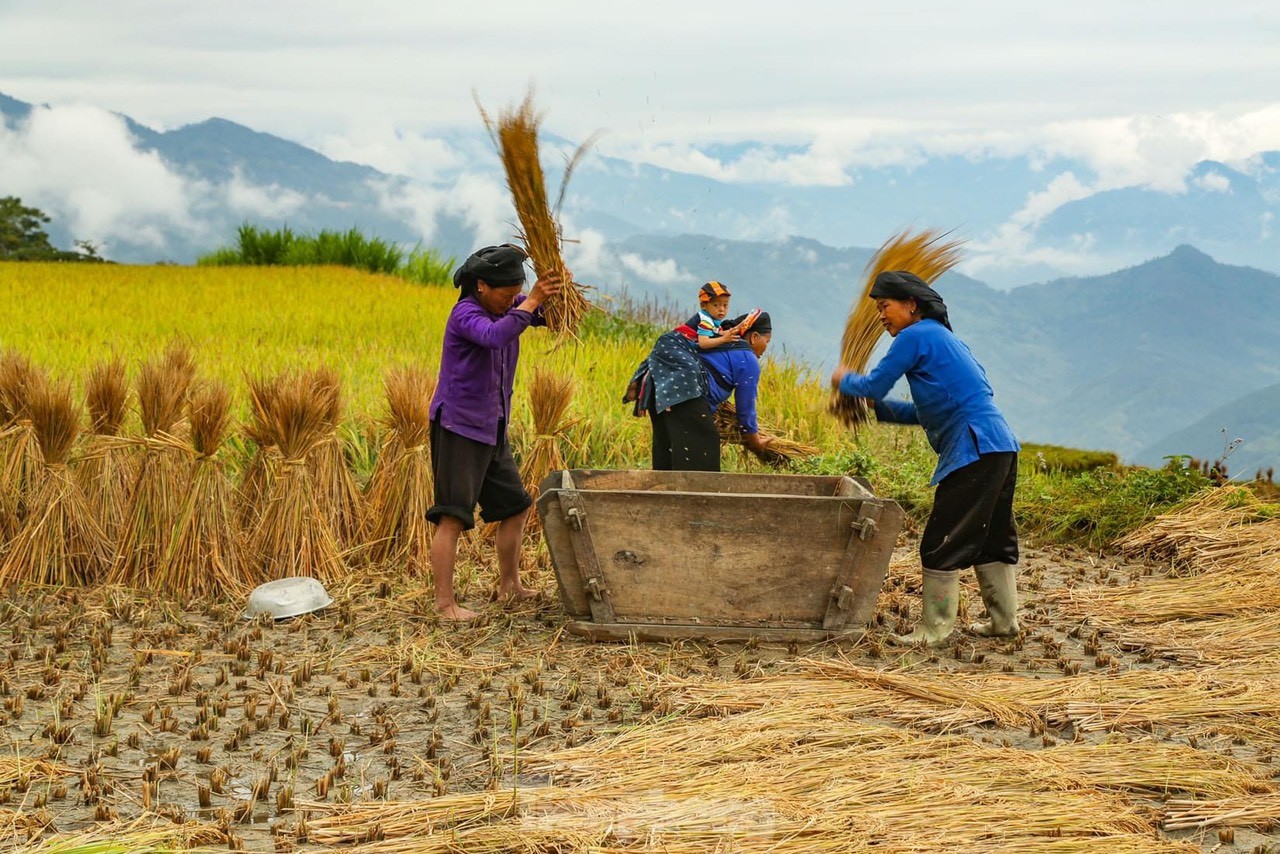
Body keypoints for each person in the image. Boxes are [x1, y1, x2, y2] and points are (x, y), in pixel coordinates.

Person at [830, 271, 1021, 647]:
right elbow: (929, 412)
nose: (881, 315)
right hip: (999, 445)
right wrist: (877, 408)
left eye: (884, 306)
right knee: (992, 537)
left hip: (974, 447)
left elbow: (874, 384)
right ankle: (1004, 623)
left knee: (939, 541)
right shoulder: (945, 339)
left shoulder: (915, 335)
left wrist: (844, 380)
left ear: (911, 306)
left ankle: (934, 630)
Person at [427, 244, 563, 622]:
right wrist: (529, 301)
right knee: (452, 516)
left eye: (514, 295)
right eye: (505, 296)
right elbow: (495, 335)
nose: (510, 302)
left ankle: (509, 586)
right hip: (459, 425)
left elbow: (540, 317)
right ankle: (444, 605)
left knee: (517, 507)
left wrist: (557, 299)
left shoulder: (509, 305)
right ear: (482, 286)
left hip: (493, 426)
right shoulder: (465, 314)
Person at [625, 309, 776, 471]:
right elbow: (745, 409)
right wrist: (755, 441)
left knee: (667, 453)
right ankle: (695, 496)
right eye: (767, 341)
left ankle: (666, 494)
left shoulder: (718, 343)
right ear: (754, 337)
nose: (766, 348)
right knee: (705, 450)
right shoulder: (748, 358)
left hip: (660, 391)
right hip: (684, 394)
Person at [684, 281, 741, 350]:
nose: (721, 309)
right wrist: (723, 339)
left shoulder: (713, 320)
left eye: (725, 305)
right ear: (703, 306)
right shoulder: (706, 320)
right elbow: (703, 343)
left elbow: (717, 332)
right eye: (716, 305)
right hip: (678, 344)